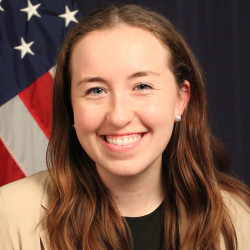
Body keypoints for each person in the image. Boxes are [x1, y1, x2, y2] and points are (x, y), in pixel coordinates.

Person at [0, 4, 249, 250]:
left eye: (142, 86)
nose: (119, 117)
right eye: (96, 90)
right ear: (70, 106)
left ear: (180, 99)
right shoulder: (7, 215)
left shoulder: (241, 217)